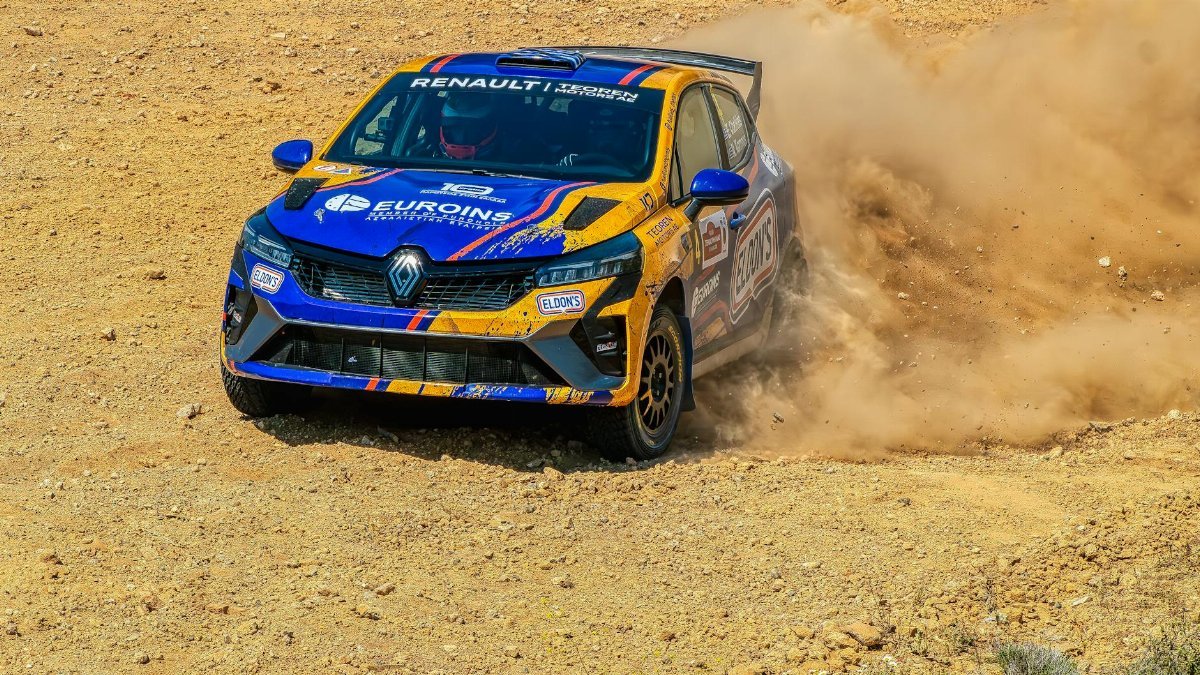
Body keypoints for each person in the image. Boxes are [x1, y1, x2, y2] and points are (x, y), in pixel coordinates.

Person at [559, 99, 646, 170]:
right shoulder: (567, 161)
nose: (605, 135)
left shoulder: (644, 165)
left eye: (614, 128)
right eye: (598, 127)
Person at [438, 92, 501, 160]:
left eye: (472, 131)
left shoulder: (510, 162)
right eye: (454, 129)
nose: (461, 138)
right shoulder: (428, 154)